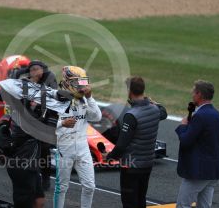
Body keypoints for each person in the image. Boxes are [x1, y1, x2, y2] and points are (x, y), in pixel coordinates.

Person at [105, 76, 167, 208]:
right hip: (147, 164)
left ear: (130, 91)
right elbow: (164, 112)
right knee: (140, 200)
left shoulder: (131, 115)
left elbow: (121, 145)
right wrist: (151, 101)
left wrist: (109, 157)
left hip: (131, 166)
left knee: (129, 203)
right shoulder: (155, 109)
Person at [53, 66, 102, 208]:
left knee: (90, 186)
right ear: (68, 82)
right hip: (64, 148)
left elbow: (97, 117)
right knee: (61, 187)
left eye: (83, 82)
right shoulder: (56, 99)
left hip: (83, 148)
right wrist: (62, 123)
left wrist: (90, 97)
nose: (82, 86)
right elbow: (46, 124)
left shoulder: (84, 100)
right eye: (78, 82)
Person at [175, 80, 219, 208]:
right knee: (204, 205)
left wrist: (183, 126)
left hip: (198, 171)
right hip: (213, 169)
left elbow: (186, 140)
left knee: (182, 205)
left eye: (194, 92)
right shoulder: (218, 115)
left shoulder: (200, 116)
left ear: (199, 94)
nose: (192, 95)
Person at [27, 60, 58, 191]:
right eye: (32, 69)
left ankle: (45, 177)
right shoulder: (27, 81)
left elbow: (52, 102)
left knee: (44, 148)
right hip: (32, 118)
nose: (34, 72)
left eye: (37, 69)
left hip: (50, 117)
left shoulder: (50, 79)